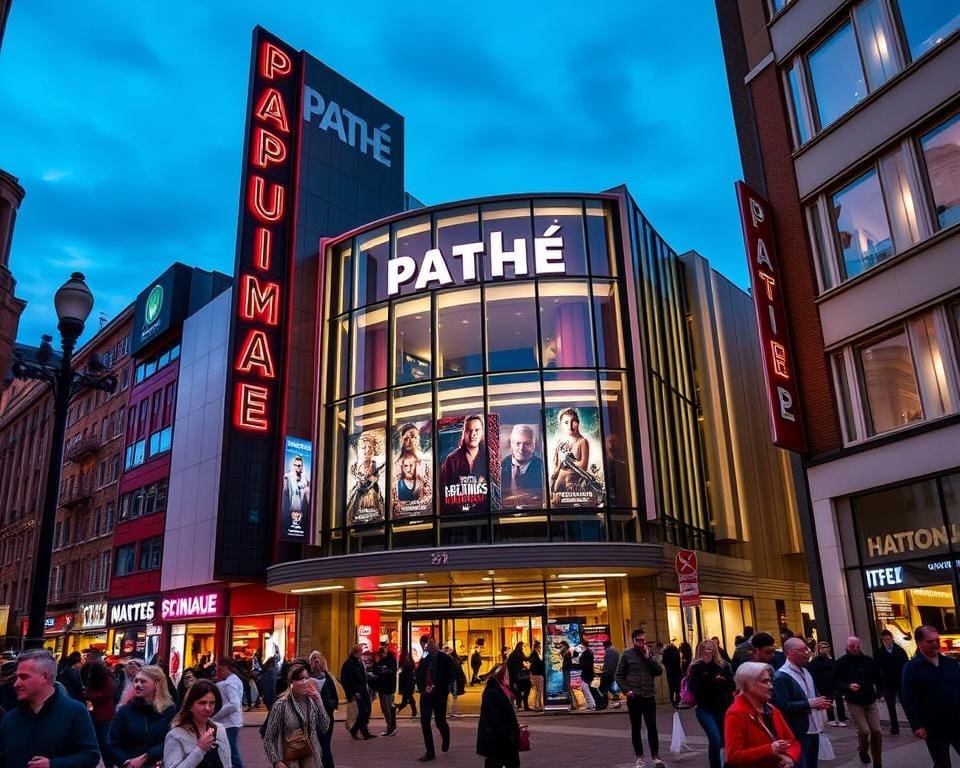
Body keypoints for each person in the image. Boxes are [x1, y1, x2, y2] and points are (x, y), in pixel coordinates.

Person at [0, 649, 99, 768]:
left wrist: (53, 764)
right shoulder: (10, 718)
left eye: (24, 677)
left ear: (45, 678)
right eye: (17, 677)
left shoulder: (75, 711)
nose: (16, 683)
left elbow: (91, 755)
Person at [900, 625, 960, 767]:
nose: (935, 644)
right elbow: (908, 698)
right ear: (919, 643)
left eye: (937, 640)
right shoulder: (912, 668)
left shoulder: (950, 664)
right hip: (933, 725)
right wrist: (916, 725)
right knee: (942, 763)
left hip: (957, 721)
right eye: (930, 641)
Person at [724, 661, 801, 768]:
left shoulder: (772, 710)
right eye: (765, 681)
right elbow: (734, 756)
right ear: (749, 685)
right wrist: (770, 749)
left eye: (770, 681)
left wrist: (790, 757)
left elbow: (793, 743)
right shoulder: (736, 713)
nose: (770, 686)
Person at [772, 637, 831, 768]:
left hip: (814, 727)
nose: (807, 653)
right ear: (790, 653)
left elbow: (813, 694)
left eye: (807, 649)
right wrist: (810, 703)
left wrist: (821, 702)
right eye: (802, 650)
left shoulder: (805, 671)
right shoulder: (781, 676)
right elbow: (783, 705)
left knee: (812, 763)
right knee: (801, 763)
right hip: (797, 731)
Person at [261, 662, 331, 768]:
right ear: (291, 682)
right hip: (289, 760)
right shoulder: (281, 705)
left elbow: (324, 728)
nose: (305, 682)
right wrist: (276, 761)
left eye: (307, 678)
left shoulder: (311, 702)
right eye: (300, 679)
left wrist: (319, 702)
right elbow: (269, 738)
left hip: (311, 758)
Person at [107, 664, 177, 768]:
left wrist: (146, 757)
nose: (138, 685)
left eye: (143, 681)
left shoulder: (168, 711)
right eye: (136, 681)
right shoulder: (124, 711)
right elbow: (112, 744)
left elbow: (172, 741)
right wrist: (126, 762)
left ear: (156, 684)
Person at [615, 628, 666, 768]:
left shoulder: (650, 654)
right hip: (634, 697)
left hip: (649, 696)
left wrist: (648, 658)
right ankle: (640, 757)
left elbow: (658, 671)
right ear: (633, 641)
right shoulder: (627, 655)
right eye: (638, 640)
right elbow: (618, 675)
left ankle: (656, 756)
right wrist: (627, 690)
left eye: (643, 639)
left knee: (652, 726)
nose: (641, 642)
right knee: (636, 727)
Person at [833, 636, 883, 767]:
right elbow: (835, 681)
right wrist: (847, 687)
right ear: (847, 647)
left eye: (857, 647)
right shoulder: (841, 663)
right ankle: (862, 751)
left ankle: (878, 761)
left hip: (870, 699)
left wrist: (879, 692)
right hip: (854, 701)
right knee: (864, 731)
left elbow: (878, 676)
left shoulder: (868, 661)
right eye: (852, 647)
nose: (855, 649)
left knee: (876, 731)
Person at [687, 639, 735, 768]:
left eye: (710, 648)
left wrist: (717, 679)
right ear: (700, 651)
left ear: (715, 650)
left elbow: (731, 686)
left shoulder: (724, 665)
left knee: (725, 740)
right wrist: (710, 677)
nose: (707, 651)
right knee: (715, 739)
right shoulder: (696, 667)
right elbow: (693, 688)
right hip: (704, 708)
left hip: (723, 707)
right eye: (704, 649)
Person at [163, 679, 231, 768]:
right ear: (190, 705)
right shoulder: (176, 735)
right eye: (202, 703)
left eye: (212, 703)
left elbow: (227, 762)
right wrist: (200, 750)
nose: (208, 708)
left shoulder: (219, 729)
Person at [414, 635, 454, 762]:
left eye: (431, 644)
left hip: (439, 694)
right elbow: (419, 673)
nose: (429, 647)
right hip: (426, 694)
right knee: (425, 721)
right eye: (427, 645)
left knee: (439, 721)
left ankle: (445, 736)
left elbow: (452, 674)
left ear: (436, 645)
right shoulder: (425, 659)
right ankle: (430, 751)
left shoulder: (445, 658)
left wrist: (443, 688)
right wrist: (422, 687)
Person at [476, 663, 521, 768]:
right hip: (497, 737)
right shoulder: (493, 691)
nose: (509, 677)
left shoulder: (503, 689)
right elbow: (494, 716)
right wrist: (508, 731)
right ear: (503, 675)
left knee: (506, 762)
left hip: (503, 735)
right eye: (507, 674)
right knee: (499, 762)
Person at [439, 414, 486, 514]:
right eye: (469, 430)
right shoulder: (451, 459)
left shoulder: (488, 458)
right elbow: (443, 492)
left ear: (482, 433)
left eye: (477, 430)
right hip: (457, 515)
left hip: (482, 515)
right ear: (464, 433)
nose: (473, 434)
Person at [305, 653, 338, 768]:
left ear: (322, 662)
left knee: (325, 745)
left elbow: (335, 698)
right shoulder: (306, 679)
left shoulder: (328, 678)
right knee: (315, 745)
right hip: (311, 717)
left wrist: (328, 706)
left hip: (327, 716)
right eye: (313, 659)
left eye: (318, 659)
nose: (316, 662)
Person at [211, 658, 245, 768]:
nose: (218, 672)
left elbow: (234, 704)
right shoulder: (234, 680)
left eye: (219, 669)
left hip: (229, 722)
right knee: (229, 750)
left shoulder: (230, 683)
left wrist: (216, 716)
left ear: (225, 667)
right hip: (231, 722)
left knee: (230, 751)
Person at [500, 423, 544, 507]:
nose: (521, 449)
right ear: (511, 444)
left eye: (526, 444)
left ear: (534, 445)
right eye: (518, 443)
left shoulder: (542, 468)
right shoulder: (501, 466)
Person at [84, 658, 118, 765]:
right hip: (102, 713)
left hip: (104, 714)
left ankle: (108, 763)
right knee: (102, 741)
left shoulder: (104, 678)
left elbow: (107, 693)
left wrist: (87, 695)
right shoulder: (106, 677)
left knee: (103, 742)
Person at [346, 433, 385, 524]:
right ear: (357, 450)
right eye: (363, 447)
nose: (367, 450)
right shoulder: (352, 471)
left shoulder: (378, 470)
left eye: (370, 447)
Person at [875, 629, 907, 735]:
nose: (887, 642)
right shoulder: (880, 653)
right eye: (884, 640)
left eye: (888, 639)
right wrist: (880, 689)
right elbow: (877, 670)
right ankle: (894, 727)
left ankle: (914, 724)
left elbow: (905, 666)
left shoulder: (900, 651)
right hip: (887, 683)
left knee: (905, 703)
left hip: (900, 681)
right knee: (890, 706)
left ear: (892, 639)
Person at [808, 641, 846, 727]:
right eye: (823, 648)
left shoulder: (831, 659)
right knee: (828, 701)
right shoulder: (815, 661)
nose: (825, 649)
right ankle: (831, 718)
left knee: (838, 700)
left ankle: (841, 717)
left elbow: (835, 668)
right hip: (823, 684)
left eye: (827, 647)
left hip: (834, 683)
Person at [340, 644, 374, 740]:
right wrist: (352, 693)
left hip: (363, 689)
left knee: (367, 710)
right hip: (357, 692)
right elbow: (346, 680)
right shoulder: (349, 663)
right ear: (356, 652)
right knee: (363, 711)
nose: (362, 653)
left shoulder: (358, 662)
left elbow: (362, 676)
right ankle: (355, 730)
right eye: (360, 652)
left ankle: (364, 731)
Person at [280, 454, 310, 535]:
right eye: (295, 465)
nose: (297, 467)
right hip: (286, 514)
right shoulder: (287, 477)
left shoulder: (305, 482)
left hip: (302, 515)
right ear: (293, 466)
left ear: (302, 467)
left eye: (299, 465)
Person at [372, 646, 398, 736]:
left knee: (387, 707)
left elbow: (389, 671)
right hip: (382, 687)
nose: (381, 653)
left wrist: (381, 670)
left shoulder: (391, 660)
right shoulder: (381, 660)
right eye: (380, 652)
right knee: (384, 707)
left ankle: (391, 727)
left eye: (383, 651)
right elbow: (376, 670)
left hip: (388, 687)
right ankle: (389, 727)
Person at [505, 642, 530, 712]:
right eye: (522, 646)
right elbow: (519, 663)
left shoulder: (514, 653)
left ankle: (520, 702)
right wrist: (524, 666)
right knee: (526, 688)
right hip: (518, 675)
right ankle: (522, 703)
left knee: (518, 688)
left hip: (515, 675)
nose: (522, 648)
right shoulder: (516, 654)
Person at [599, 639, 621, 708]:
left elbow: (608, 664)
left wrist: (603, 672)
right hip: (613, 672)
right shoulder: (616, 652)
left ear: (606, 646)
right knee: (609, 687)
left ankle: (604, 704)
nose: (603, 648)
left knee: (602, 688)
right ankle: (616, 698)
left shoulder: (608, 651)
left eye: (603, 646)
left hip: (607, 673)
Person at [396, 650, 418, 718]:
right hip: (407, 682)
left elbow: (405, 671)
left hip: (408, 682)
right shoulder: (407, 663)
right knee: (406, 698)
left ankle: (398, 710)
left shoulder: (407, 663)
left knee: (408, 697)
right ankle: (399, 710)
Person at [660, 640, 681, 708]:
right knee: (678, 686)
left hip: (669, 671)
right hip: (677, 671)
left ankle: (672, 700)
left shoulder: (666, 652)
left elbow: (663, 661)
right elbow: (679, 661)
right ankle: (678, 700)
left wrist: (667, 666)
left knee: (671, 686)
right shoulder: (676, 651)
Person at [577, 645, 596, 711]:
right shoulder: (589, 653)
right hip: (588, 674)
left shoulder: (586, 654)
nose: (580, 648)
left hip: (587, 674)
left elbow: (584, 664)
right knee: (587, 688)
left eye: (581, 647)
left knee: (585, 688)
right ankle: (591, 704)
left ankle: (591, 704)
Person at [528, 641, 545, 711]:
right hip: (537, 673)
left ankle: (537, 705)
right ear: (537, 646)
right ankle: (537, 705)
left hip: (535, 673)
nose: (540, 647)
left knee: (537, 690)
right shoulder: (535, 654)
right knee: (538, 690)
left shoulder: (534, 653)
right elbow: (537, 663)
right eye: (540, 646)